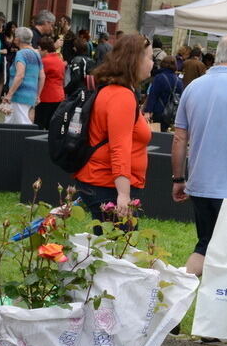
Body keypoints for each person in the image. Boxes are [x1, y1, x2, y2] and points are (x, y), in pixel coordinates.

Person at [171, 34, 227, 277]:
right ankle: (218, 305)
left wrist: (178, 179)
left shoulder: (193, 86)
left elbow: (179, 138)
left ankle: (179, 293)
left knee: (205, 245)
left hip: (199, 184)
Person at [73, 34, 152, 223]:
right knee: (118, 248)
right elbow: (119, 148)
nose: (152, 63)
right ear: (135, 60)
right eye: (149, 58)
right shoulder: (121, 96)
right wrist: (123, 195)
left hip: (102, 180)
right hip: (106, 183)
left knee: (110, 245)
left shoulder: (113, 90)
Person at [1, 27, 44, 125]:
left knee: (23, 124)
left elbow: (20, 75)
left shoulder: (21, 54)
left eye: (15, 36)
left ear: (18, 39)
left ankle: (26, 141)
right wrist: (38, 95)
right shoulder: (36, 54)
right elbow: (42, 76)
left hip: (19, 95)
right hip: (31, 95)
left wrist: (9, 94)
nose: (14, 38)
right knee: (9, 122)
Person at [34, 35, 65, 130]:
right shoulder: (60, 60)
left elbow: (38, 77)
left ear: (45, 50)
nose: (38, 51)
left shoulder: (44, 61)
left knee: (39, 124)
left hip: (46, 97)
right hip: (58, 96)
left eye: (39, 49)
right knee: (51, 126)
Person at [144, 58, 183, 131]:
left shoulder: (159, 77)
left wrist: (148, 111)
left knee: (157, 134)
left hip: (159, 111)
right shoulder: (179, 81)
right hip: (172, 113)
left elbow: (153, 95)